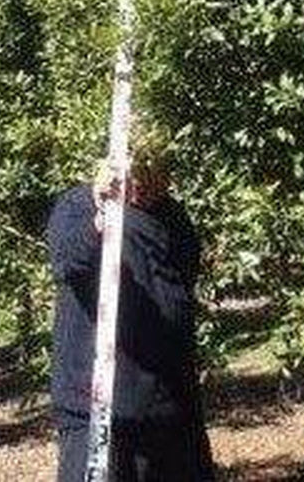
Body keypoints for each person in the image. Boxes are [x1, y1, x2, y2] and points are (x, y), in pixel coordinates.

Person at [46, 133, 216, 482]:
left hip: (169, 405)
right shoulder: (78, 205)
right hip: (99, 408)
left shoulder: (173, 215)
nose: (147, 185)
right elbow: (68, 260)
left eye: (157, 174)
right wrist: (100, 219)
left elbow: (184, 276)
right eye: (137, 174)